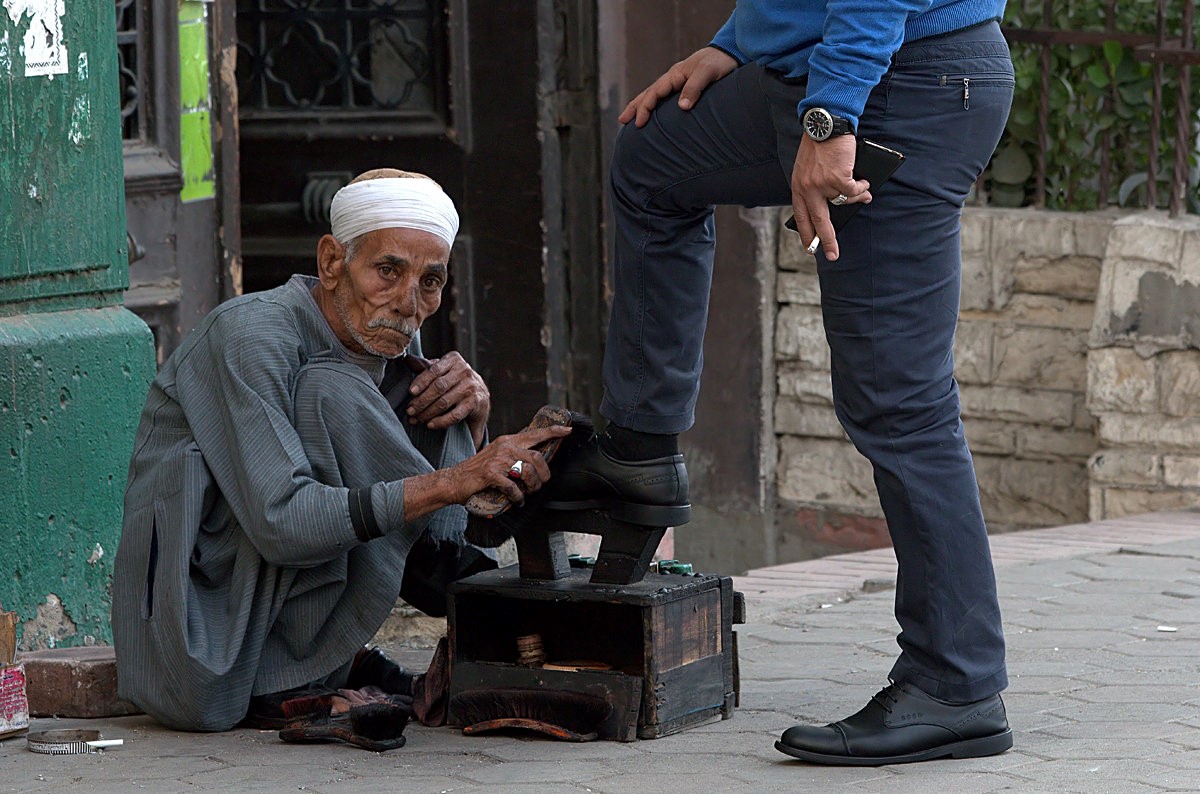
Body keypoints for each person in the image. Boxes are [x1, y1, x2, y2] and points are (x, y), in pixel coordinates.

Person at [547, 1, 1016, 766]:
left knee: (898, 398)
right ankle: (638, 447)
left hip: (898, 82)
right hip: (817, 70)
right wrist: (738, 42)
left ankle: (956, 683)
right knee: (652, 160)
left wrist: (831, 118)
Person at [111, 169, 570, 732]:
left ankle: (451, 608)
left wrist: (473, 423)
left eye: (431, 281)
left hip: (282, 596)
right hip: (203, 650)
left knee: (436, 394)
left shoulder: (387, 326)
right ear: (331, 263)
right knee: (334, 392)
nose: (408, 303)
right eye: (387, 271)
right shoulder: (251, 335)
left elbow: (417, 476)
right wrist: (459, 479)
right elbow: (282, 520)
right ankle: (467, 607)